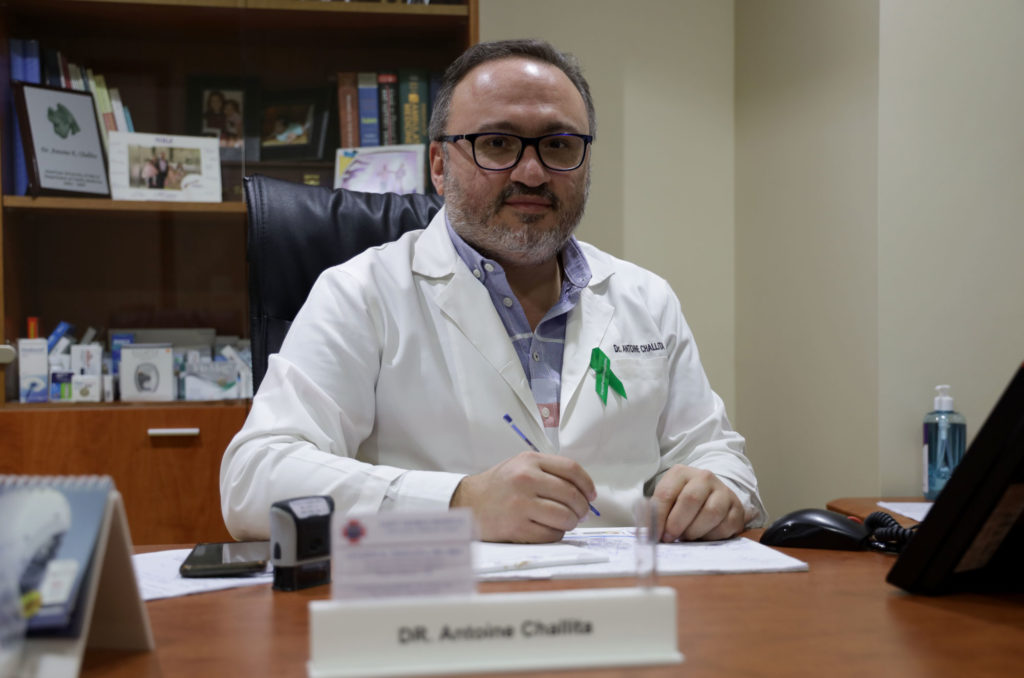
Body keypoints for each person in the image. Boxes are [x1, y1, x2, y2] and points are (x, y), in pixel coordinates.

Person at [221, 39, 766, 544]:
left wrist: (717, 490)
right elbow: (255, 477)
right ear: (439, 164)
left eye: (558, 144)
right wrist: (458, 503)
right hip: (445, 613)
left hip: (630, 604)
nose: (531, 172)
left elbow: (717, 455)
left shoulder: (647, 299)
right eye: (497, 143)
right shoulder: (360, 292)